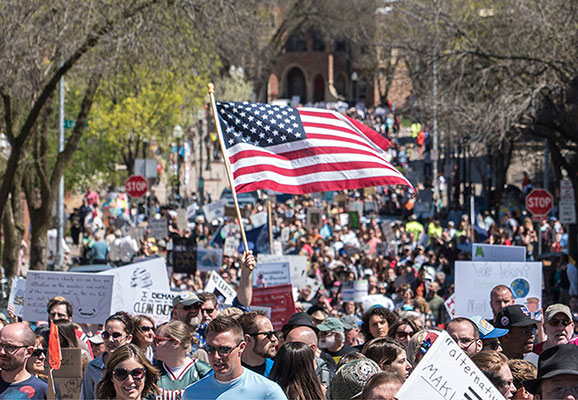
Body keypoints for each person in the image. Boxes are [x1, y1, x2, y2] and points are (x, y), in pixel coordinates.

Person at [182, 316, 287, 400]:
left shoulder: (268, 391)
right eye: (210, 349)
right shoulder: (192, 393)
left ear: (241, 347)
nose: (216, 356)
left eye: (224, 349)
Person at [153, 320, 211, 400]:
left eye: (157, 340)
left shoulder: (203, 371)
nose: (152, 344)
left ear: (176, 343)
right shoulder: (152, 373)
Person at [82, 311, 134, 400]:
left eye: (116, 335)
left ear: (129, 338)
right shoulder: (93, 367)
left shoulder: (137, 366)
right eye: (106, 335)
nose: (110, 339)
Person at [0, 323, 49, 399]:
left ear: (29, 352)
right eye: (0, 345)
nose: (2, 352)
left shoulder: (41, 391)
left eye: (10, 347)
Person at [284, 324, 335, 390]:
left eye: (295, 347)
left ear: (312, 348)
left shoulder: (328, 376)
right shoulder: (282, 372)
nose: (289, 351)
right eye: (287, 346)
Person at [239, 311, 278, 377]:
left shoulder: (278, 371)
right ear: (248, 340)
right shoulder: (225, 372)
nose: (274, 339)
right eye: (268, 334)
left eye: (274, 333)